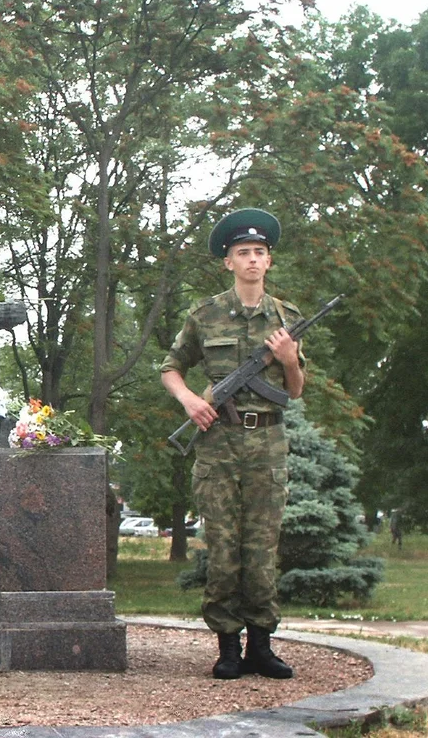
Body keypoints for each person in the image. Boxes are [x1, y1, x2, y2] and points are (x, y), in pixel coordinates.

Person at [160, 208, 305, 681]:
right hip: (219, 443)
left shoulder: (287, 319)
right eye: (243, 253)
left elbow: (297, 390)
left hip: (267, 442)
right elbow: (170, 366)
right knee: (223, 550)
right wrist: (188, 402)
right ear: (228, 262)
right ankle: (227, 648)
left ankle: (261, 646)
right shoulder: (204, 314)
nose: (252, 260)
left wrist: (289, 360)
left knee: (262, 551)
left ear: (269, 261)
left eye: (259, 253)